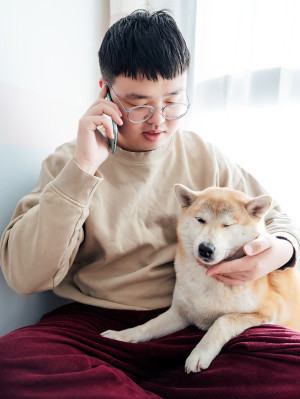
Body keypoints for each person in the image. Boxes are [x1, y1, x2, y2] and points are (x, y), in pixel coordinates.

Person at [0, 9, 299, 399]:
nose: (158, 121)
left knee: (291, 366)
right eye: (138, 104)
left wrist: (281, 250)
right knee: (13, 362)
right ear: (105, 91)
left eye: (173, 102)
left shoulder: (204, 155)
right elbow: (25, 276)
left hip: (199, 320)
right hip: (95, 329)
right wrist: (85, 167)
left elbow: (277, 220)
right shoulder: (68, 163)